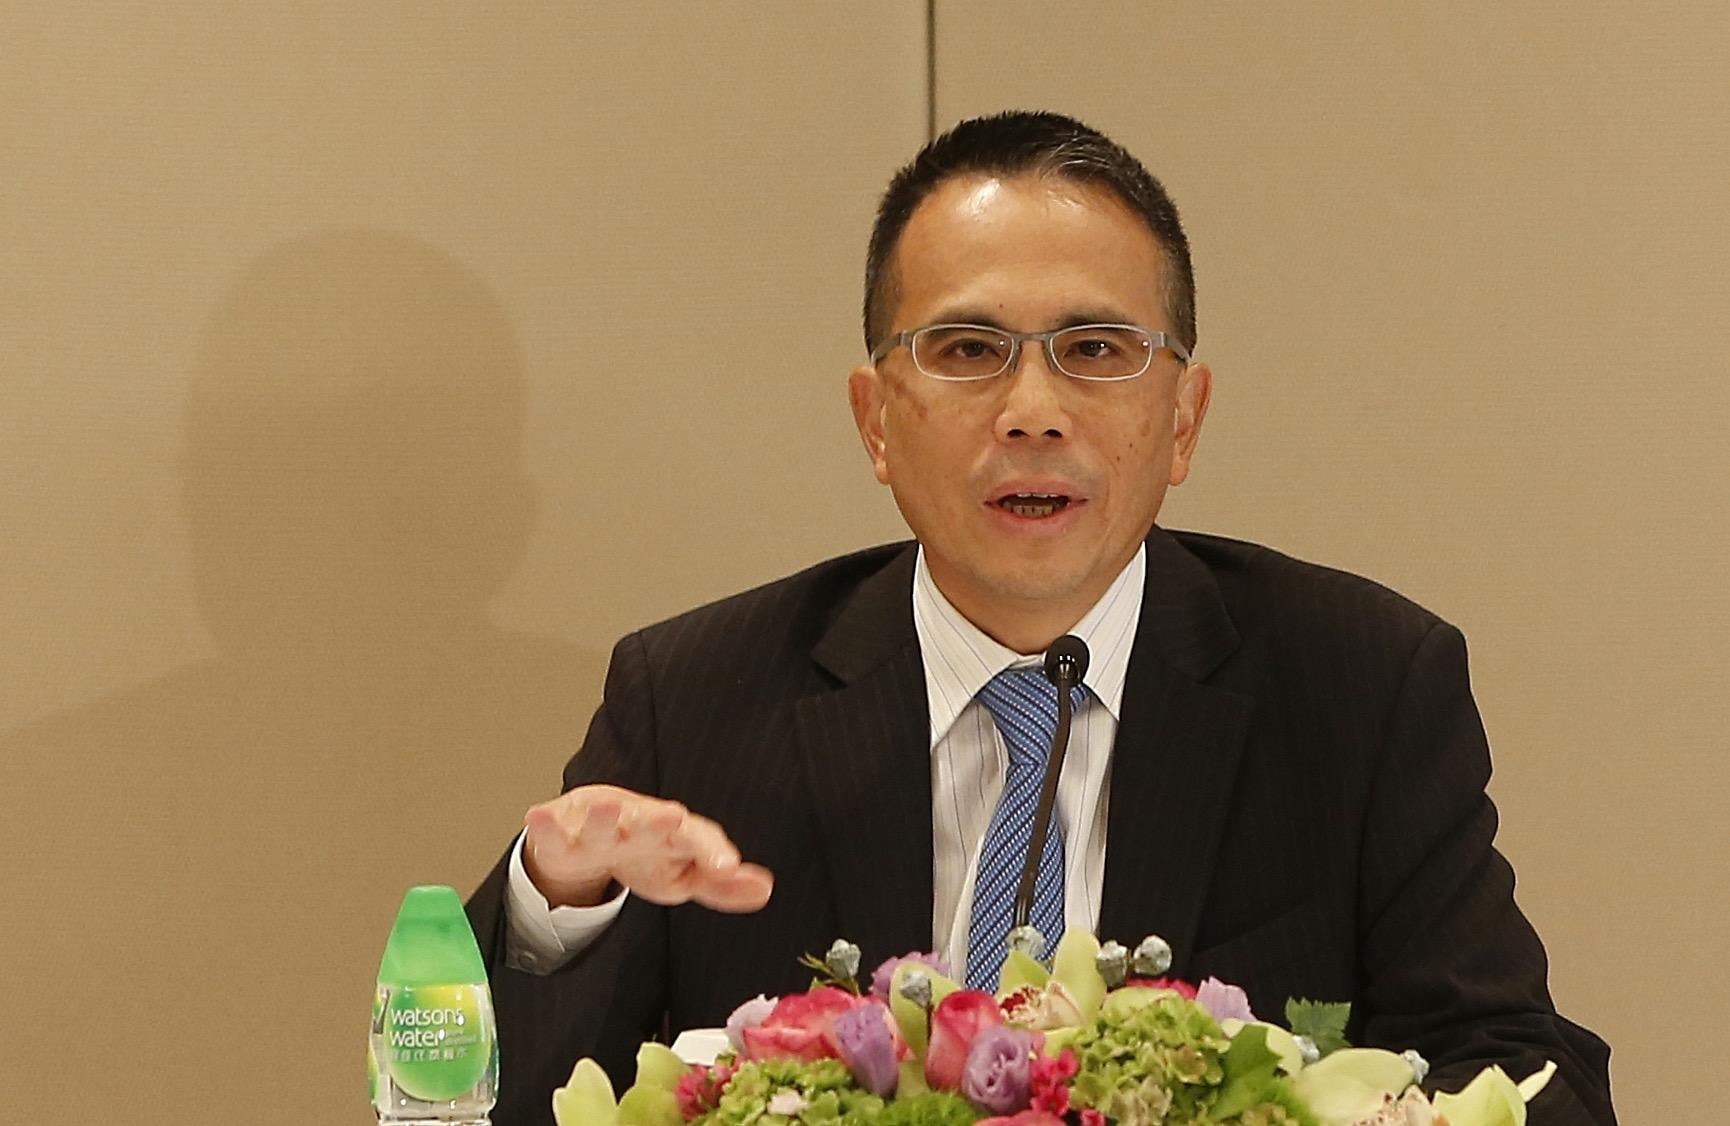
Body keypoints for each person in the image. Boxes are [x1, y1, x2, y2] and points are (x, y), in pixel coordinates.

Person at [465, 111, 1616, 1125]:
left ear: (1182, 419)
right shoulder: (698, 700)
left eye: (1094, 350)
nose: (1031, 411)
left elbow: (1522, 1072)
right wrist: (557, 901)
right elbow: (480, 1100)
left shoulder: (1358, 687)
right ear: (875, 421)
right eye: (967, 350)